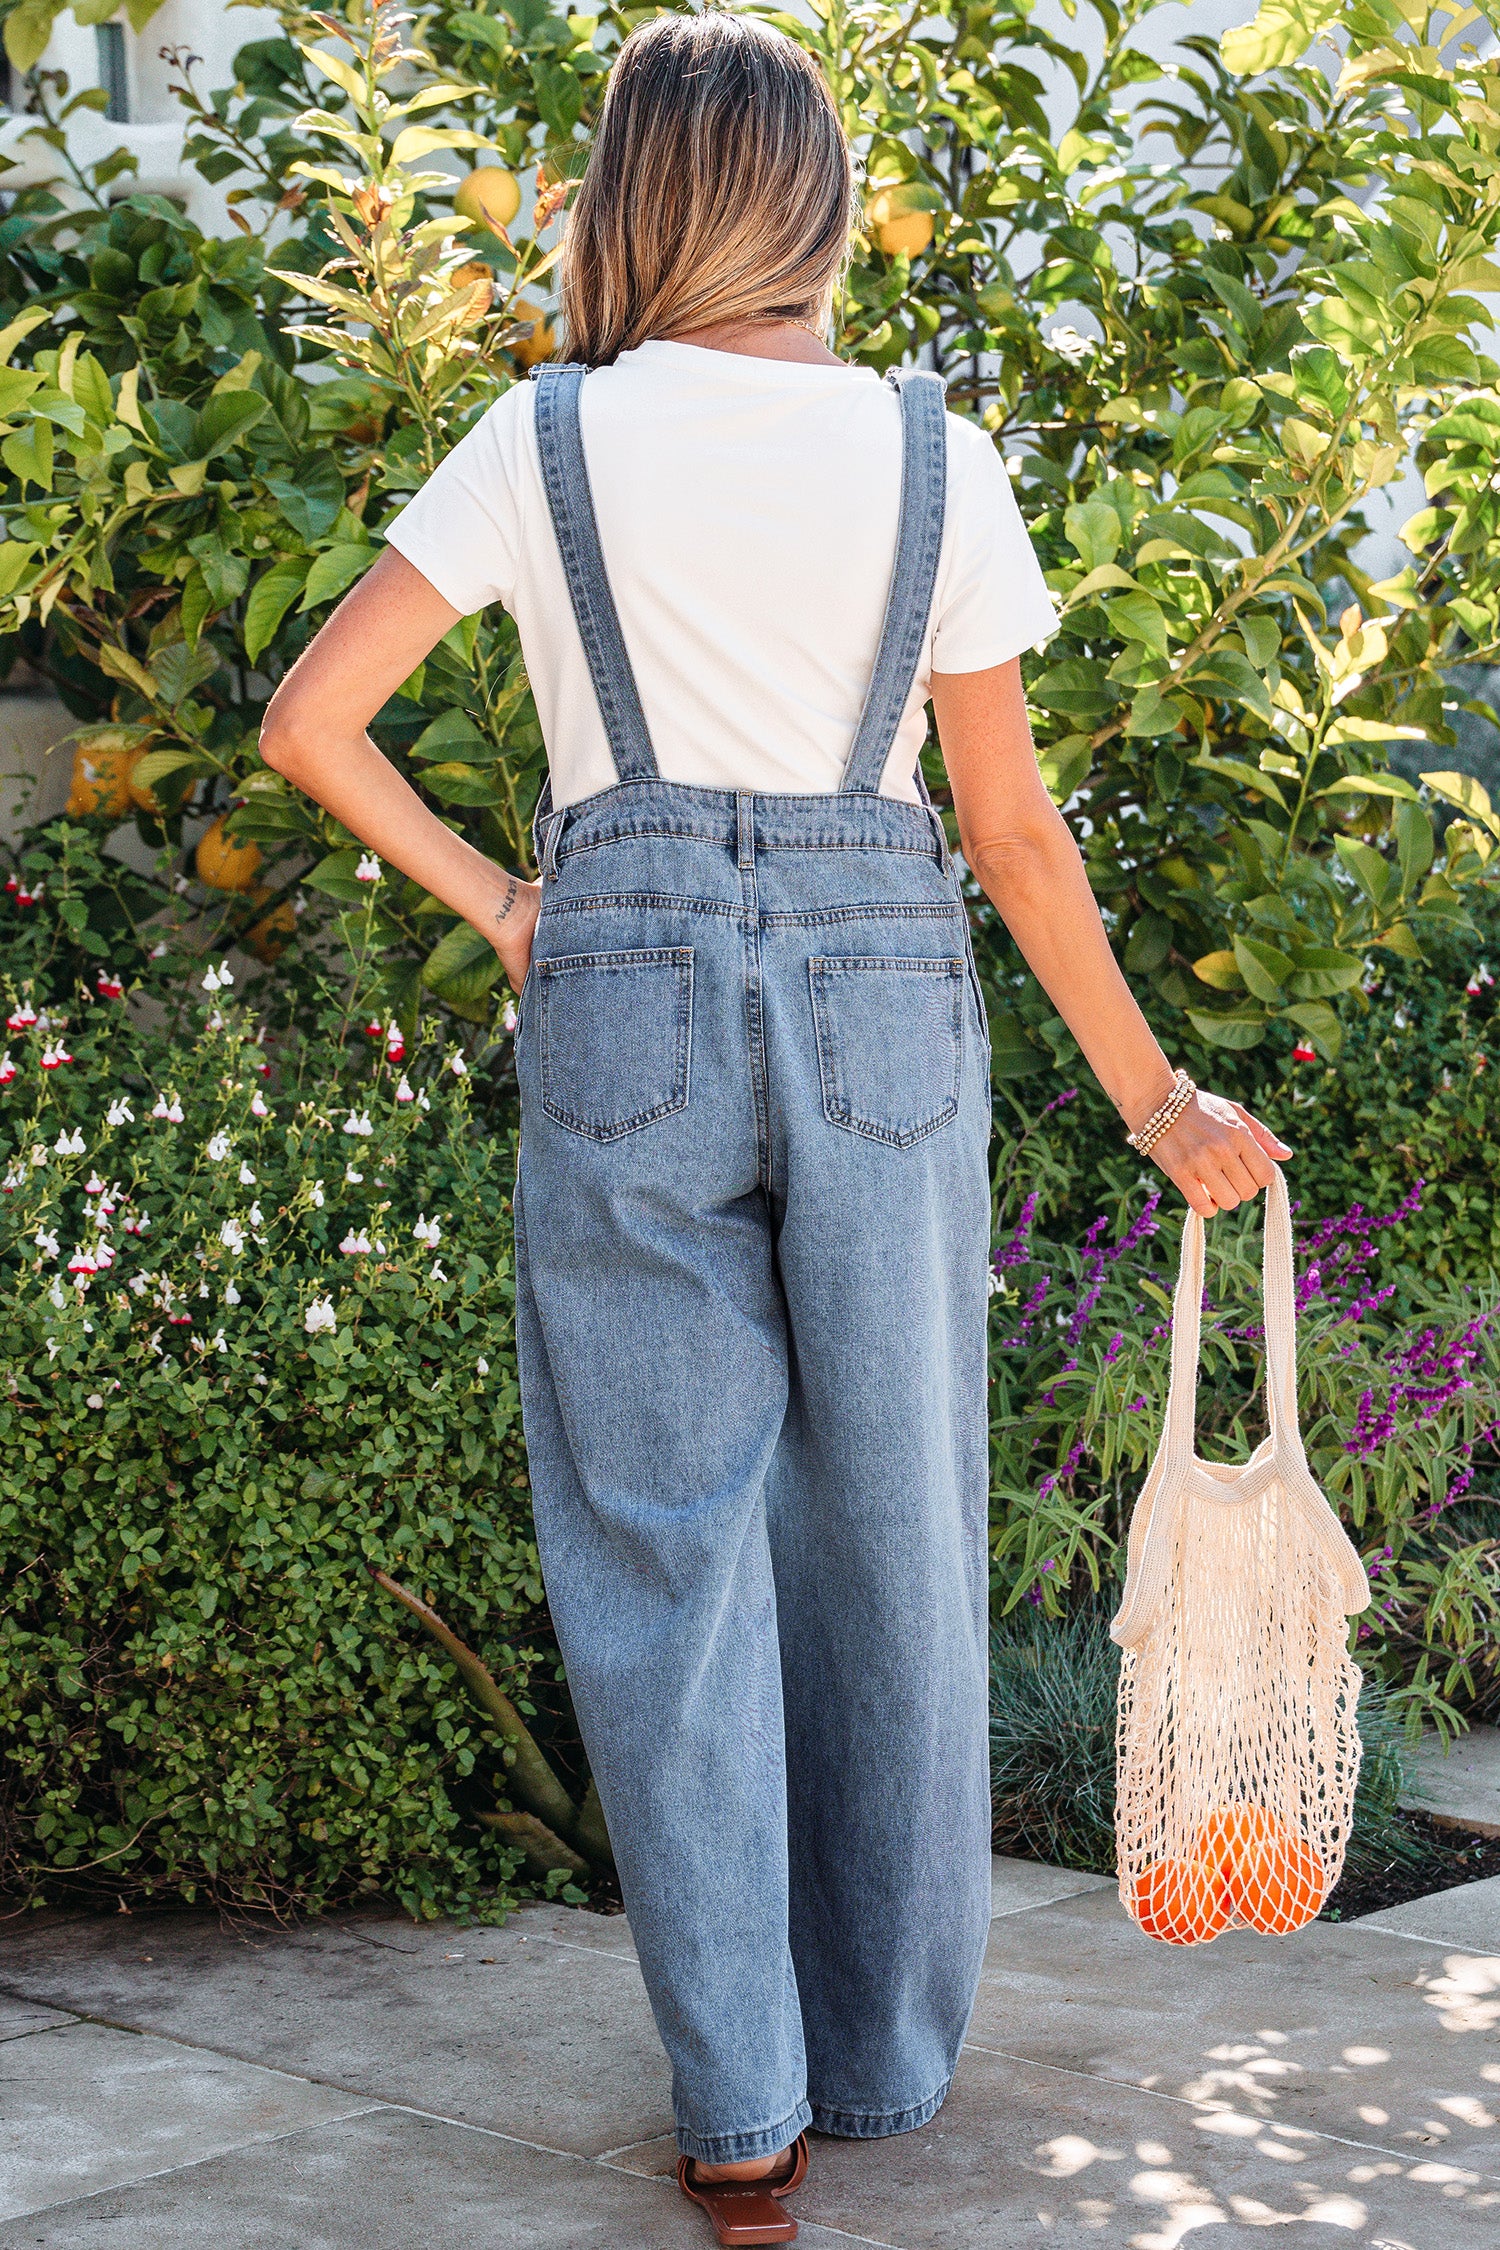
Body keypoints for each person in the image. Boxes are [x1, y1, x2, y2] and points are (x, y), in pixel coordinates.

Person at [260, 13, 1290, 2242]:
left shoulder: (542, 441)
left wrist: (514, 904)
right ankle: (883, 2058)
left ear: (633, 195)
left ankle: (741, 2113)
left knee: (661, 1552)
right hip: (876, 977)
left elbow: (310, 719)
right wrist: (1152, 1090)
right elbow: (1008, 832)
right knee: (891, 1526)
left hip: (618, 962)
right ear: (810, 202)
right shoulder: (929, 454)